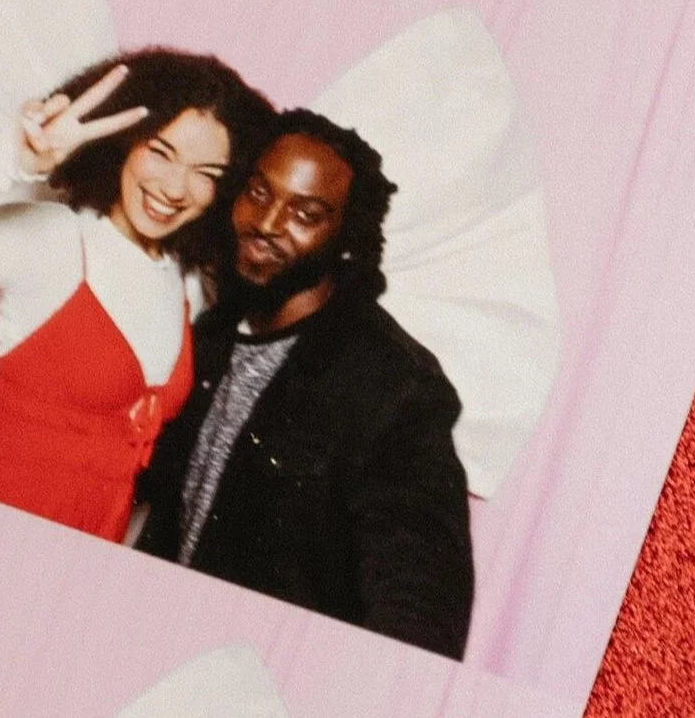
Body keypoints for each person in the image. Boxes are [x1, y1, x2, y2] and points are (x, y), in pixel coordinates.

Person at [0, 51, 274, 542]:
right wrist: (11, 162)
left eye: (207, 173)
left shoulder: (185, 279)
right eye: (160, 152)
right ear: (122, 143)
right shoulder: (53, 241)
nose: (175, 187)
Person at [135, 115, 474, 660]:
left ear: (346, 236)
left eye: (305, 214)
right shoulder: (208, 337)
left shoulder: (393, 387)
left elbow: (419, 614)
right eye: (258, 193)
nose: (267, 223)